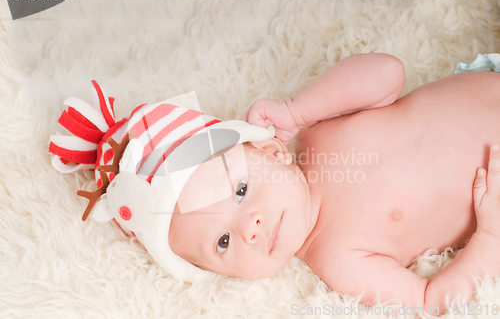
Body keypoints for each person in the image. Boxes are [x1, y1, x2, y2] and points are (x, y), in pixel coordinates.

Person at [49, 53, 500, 316]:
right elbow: (431, 299)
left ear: (269, 151)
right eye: (222, 242)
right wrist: (490, 236)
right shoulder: (337, 259)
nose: (250, 227)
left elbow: (388, 73)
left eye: (241, 191)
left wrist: (297, 110)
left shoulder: (317, 130)